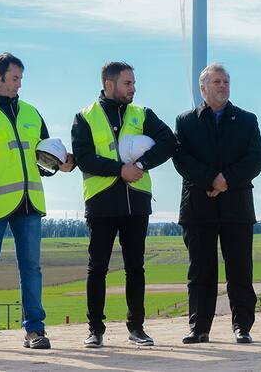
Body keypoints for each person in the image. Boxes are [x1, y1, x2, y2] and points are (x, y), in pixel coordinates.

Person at [0, 53, 74, 351]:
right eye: (14, 78)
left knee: (32, 268)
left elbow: (44, 159)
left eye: (21, 78)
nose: (19, 84)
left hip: (30, 203)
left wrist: (60, 164)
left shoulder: (32, 113)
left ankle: (35, 330)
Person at [71, 62, 175, 348]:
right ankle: (95, 329)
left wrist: (141, 164)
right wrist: (120, 169)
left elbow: (169, 142)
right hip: (101, 202)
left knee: (136, 267)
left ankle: (137, 328)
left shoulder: (142, 114)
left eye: (133, 83)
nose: (133, 88)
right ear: (109, 84)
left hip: (137, 202)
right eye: (127, 83)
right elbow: (83, 157)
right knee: (98, 268)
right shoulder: (85, 117)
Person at [173, 62, 261, 344]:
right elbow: (182, 159)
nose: (223, 86)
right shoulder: (185, 121)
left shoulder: (247, 120)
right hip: (198, 206)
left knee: (239, 269)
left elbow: (255, 158)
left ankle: (242, 327)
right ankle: (199, 327)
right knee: (201, 271)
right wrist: (211, 179)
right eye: (216, 82)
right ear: (203, 88)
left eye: (226, 81)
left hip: (236, 205)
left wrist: (226, 180)